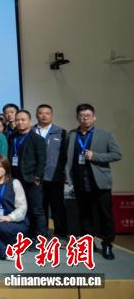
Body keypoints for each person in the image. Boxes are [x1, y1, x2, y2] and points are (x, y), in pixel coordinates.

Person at [66, 103, 122, 260]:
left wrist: (95, 156)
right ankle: (88, 244)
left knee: (105, 215)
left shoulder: (106, 135)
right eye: (82, 116)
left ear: (94, 117)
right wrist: (69, 178)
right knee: (84, 215)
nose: (85, 118)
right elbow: (68, 158)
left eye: (88, 116)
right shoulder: (72, 135)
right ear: (77, 118)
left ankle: (107, 244)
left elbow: (117, 154)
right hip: (80, 183)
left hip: (100, 182)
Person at [7, 110, 47, 239]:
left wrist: (37, 177)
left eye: (23, 119)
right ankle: (27, 235)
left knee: (36, 209)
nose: (20, 122)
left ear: (29, 121)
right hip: (15, 179)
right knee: (22, 208)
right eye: (17, 120)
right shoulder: (12, 137)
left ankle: (40, 237)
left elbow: (42, 160)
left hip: (31, 179)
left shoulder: (37, 139)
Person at [0, 156, 29, 260]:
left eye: (1, 166)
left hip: (16, 222)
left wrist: (9, 217)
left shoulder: (15, 183)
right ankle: (14, 248)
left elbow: (22, 207)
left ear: (6, 168)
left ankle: (6, 254)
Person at [33, 104, 68, 240]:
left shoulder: (61, 132)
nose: (44, 116)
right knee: (40, 207)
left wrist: (65, 173)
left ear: (52, 115)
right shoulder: (31, 131)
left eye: (47, 113)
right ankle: (42, 234)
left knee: (57, 207)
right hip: (36, 177)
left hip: (55, 177)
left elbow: (65, 156)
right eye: (41, 113)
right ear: (36, 115)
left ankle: (61, 235)